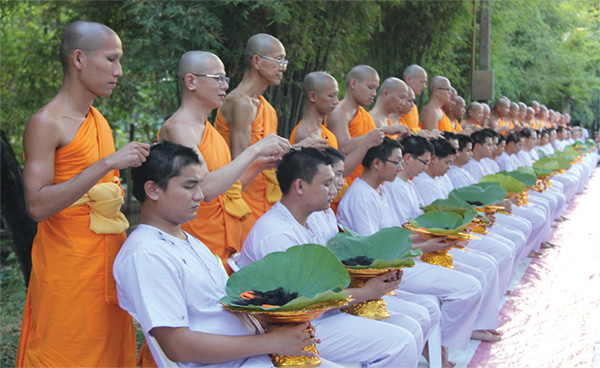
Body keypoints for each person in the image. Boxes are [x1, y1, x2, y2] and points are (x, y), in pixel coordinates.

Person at [114, 141, 328, 367]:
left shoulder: (190, 241)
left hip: (257, 354)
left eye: (199, 185)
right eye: (189, 186)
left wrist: (278, 324)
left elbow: (223, 307)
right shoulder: (145, 254)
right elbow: (178, 346)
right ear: (153, 190)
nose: (199, 195)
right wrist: (273, 341)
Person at [17, 21, 149, 366]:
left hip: (107, 262)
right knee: (66, 352)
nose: (118, 71)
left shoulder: (98, 120)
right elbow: (36, 205)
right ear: (79, 59)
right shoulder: (47, 122)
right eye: (111, 59)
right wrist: (107, 163)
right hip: (68, 265)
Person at [239, 147, 420, 367]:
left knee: (410, 328)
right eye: (326, 183)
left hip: (322, 314)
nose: (334, 188)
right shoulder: (276, 234)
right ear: (300, 186)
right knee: (400, 343)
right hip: (297, 329)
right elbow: (302, 302)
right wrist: (366, 292)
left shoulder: (312, 220)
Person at [338, 137, 484, 367]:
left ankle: (440, 354)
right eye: (396, 162)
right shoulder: (360, 196)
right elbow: (374, 251)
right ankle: (441, 355)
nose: (399, 168)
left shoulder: (381, 191)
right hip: (382, 272)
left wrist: (436, 236)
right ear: (377, 163)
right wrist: (425, 246)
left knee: (446, 298)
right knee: (466, 287)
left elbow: (397, 233)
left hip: (400, 262)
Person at [158, 51, 290, 273]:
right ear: (191, 81)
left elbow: (229, 190)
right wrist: (255, 150)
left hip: (224, 241)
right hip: (196, 239)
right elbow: (206, 188)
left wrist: (260, 165)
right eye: (218, 79)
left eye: (225, 79)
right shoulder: (178, 129)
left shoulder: (211, 132)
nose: (225, 86)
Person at [215, 33, 311, 239]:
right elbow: (239, 168)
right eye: (279, 60)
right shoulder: (240, 103)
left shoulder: (266, 108)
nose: (283, 67)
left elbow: (268, 158)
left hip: (266, 199)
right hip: (243, 201)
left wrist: (301, 149)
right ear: (257, 61)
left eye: (284, 61)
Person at [325, 65, 403, 185]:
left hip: (364, 183)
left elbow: (371, 147)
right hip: (343, 184)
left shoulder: (364, 115)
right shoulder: (339, 112)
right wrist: (382, 131)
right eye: (370, 88)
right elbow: (343, 146)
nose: (374, 94)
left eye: (375, 89)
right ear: (354, 83)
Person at [401, 65, 428, 133]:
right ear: (409, 79)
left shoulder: (413, 106)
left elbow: (414, 128)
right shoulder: (400, 103)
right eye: (422, 82)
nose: (424, 86)